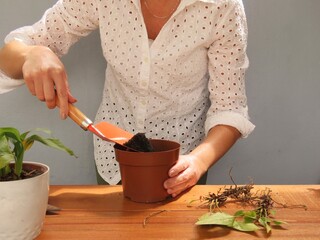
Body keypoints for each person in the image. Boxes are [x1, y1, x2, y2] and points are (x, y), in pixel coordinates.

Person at [0, 0, 255, 197]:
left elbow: (229, 107)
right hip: (113, 163)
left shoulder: (222, 7)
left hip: (182, 165)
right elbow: (11, 55)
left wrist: (198, 161)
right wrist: (32, 53)